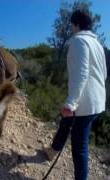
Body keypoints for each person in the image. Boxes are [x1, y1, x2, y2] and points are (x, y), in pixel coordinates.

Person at [43, 9, 107, 180]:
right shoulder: (97, 44)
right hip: (97, 101)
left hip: (85, 103)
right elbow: (104, 73)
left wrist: (71, 103)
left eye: (72, 25)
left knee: (79, 147)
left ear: (76, 24)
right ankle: (53, 150)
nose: (72, 28)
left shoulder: (79, 41)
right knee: (66, 122)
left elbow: (81, 74)